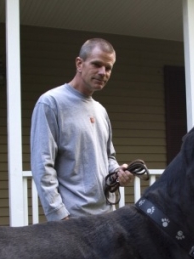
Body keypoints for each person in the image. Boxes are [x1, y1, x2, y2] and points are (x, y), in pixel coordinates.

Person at [30, 38, 133, 221]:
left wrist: (118, 173)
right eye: (97, 64)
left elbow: (108, 157)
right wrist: (59, 216)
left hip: (105, 216)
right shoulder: (51, 103)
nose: (103, 72)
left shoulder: (101, 111)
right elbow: (42, 165)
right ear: (79, 63)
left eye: (108, 68)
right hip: (71, 221)